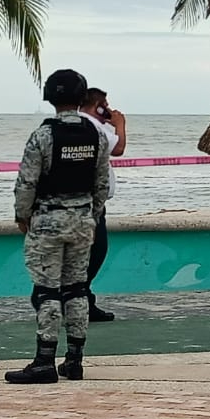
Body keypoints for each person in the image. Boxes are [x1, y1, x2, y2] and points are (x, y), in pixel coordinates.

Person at [6, 69, 111, 384]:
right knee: (77, 288)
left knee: (48, 290)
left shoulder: (43, 135)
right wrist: (89, 213)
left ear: (49, 97)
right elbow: (102, 184)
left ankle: (44, 361)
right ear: (82, 99)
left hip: (48, 221)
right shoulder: (97, 135)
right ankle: (75, 360)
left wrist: (22, 215)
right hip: (82, 221)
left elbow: (27, 182)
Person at [80, 87, 127, 322]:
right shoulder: (96, 128)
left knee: (84, 254)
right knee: (96, 251)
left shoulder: (78, 124)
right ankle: (82, 299)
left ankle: (82, 299)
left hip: (79, 201)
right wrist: (119, 123)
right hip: (92, 204)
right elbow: (118, 149)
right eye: (105, 105)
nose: (108, 109)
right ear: (98, 105)